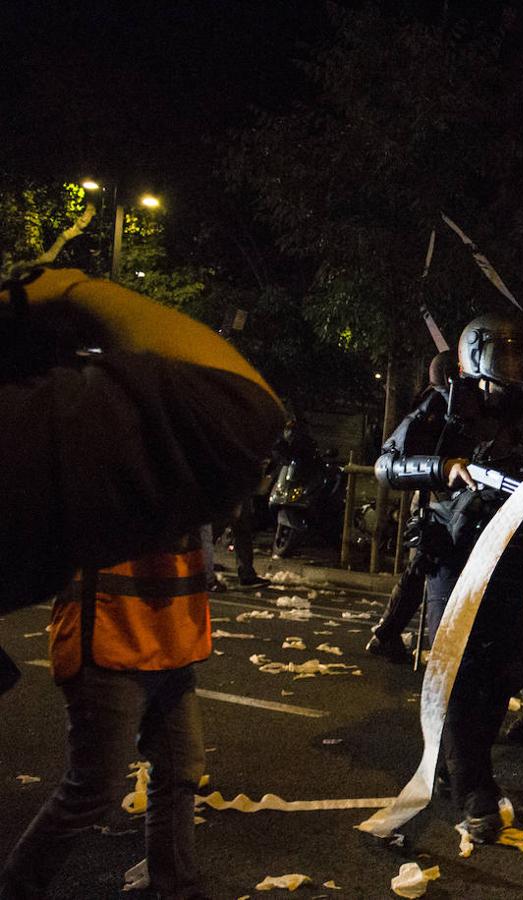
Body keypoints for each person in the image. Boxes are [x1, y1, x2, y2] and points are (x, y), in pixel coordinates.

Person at [374, 313, 523, 842]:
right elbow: (388, 464)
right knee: (461, 673)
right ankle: (474, 790)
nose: (514, 366)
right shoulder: (446, 404)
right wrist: (444, 468)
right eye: (503, 354)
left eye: (521, 355)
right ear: (475, 356)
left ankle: (463, 764)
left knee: (503, 672)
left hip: (509, 557)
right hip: (454, 556)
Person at [0, 266, 285, 613]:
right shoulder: (72, 452)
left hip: (153, 626)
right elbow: (240, 409)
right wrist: (72, 289)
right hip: (113, 626)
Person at [2, 537, 214, 900]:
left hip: (169, 638)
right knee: (93, 786)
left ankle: (179, 888)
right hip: (110, 632)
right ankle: (16, 889)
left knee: (180, 770)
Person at [366, 350, 459, 663]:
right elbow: (398, 455)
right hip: (436, 500)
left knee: (421, 569)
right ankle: (387, 634)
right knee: (422, 567)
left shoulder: (452, 403)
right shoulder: (434, 406)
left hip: (444, 499)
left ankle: (386, 633)